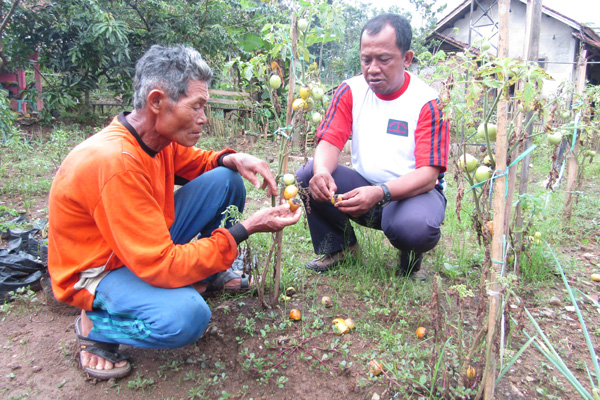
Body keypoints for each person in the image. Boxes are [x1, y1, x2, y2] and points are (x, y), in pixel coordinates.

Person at [47, 45, 301, 380]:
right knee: (187, 316)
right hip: (101, 268)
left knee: (226, 180)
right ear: (157, 102)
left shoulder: (154, 138)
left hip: (136, 247)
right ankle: (97, 326)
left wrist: (232, 159)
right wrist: (246, 229)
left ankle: (208, 274)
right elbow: (160, 264)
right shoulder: (115, 164)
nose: (203, 117)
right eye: (196, 106)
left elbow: (197, 162)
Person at [296, 13, 449, 277]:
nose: (372, 68)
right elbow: (329, 143)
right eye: (366, 60)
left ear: (407, 59)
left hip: (412, 196)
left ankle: (410, 263)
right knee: (309, 174)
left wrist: (381, 193)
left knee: (415, 226)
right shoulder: (351, 91)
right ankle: (340, 248)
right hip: (364, 189)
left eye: (384, 59)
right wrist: (322, 172)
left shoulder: (428, 102)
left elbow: (428, 177)